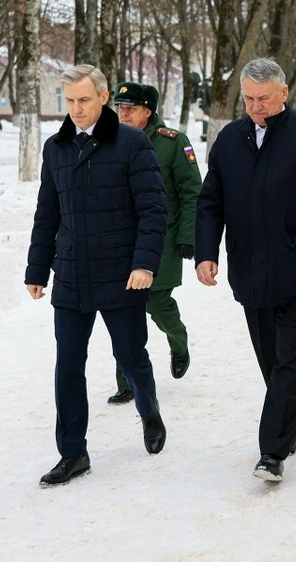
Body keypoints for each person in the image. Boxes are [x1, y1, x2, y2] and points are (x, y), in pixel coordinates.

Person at [194, 58, 296, 484]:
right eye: (248, 98)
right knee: (270, 358)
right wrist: (206, 252)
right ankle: (294, 421)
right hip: (250, 271)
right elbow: (210, 202)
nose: (255, 106)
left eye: (263, 98)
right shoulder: (229, 140)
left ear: (284, 92)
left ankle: (272, 451)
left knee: (288, 357)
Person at [25, 64, 169, 486]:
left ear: (103, 98)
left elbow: (153, 209)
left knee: (131, 356)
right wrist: (37, 269)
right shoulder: (56, 148)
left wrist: (144, 264)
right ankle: (73, 453)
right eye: (69, 101)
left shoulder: (132, 143)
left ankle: (149, 409)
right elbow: (47, 212)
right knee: (68, 365)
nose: (76, 108)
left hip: (121, 273)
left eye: (84, 100)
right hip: (71, 274)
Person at [105, 82, 203, 405]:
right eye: (120, 108)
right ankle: (127, 381)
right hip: (122, 242)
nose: (124, 114)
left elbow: (192, 192)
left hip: (163, 239)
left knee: (158, 303)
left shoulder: (172, 143)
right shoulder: (110, 141)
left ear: (148, 111)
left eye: (131, 108)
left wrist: (188, 237)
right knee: (124, 311)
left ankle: (179, 342)